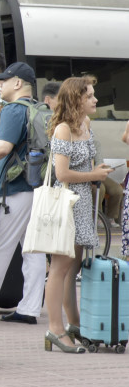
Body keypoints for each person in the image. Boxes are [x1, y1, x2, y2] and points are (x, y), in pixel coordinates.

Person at [0, 62, 47, 323]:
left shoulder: (14, 110)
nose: (1, 85)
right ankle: (29, 309)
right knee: (34, 251)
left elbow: (3, 148)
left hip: (13, 191)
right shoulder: (40, 109)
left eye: (5, 81)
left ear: (18, 84)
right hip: (37, 189)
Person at [44, 77, 112, 353]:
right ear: (76, 100)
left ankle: (74, 324)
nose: (96, 100)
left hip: (83, 205)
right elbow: (61, 174)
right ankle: (55, 329)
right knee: (59, 269)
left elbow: (87, 164)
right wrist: (94, 174)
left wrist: (99, 170)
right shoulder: (63, 130)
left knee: (71, 269)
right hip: (69, 204)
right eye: (90, 96)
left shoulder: (86, 126)